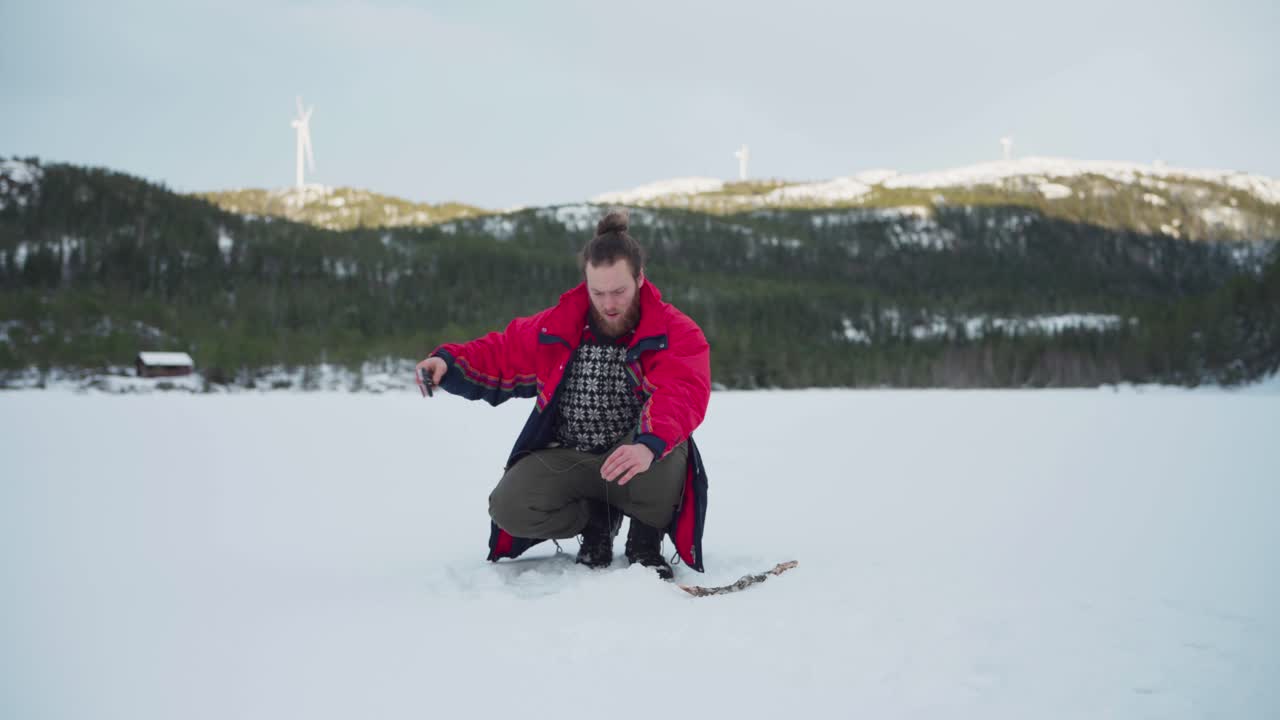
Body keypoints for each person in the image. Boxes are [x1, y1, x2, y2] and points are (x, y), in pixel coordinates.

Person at [415, 209, 711, 579]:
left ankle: (645, 539)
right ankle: (595, 523)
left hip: (635, 456)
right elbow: (502, 352)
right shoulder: (560, 325)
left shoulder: (675, 330)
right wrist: (448, 363)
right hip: (571, 456)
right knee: (509, 507)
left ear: (639, 278)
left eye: (619, 291)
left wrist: (647, 445)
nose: (609, 304)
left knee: (668, 448)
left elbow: (681, 391)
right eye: (598, 292)